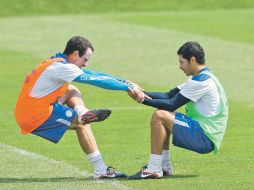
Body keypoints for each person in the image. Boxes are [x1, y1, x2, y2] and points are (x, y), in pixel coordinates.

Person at [15, 36, 147, 179]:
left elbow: (95, 74)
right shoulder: (62, 68)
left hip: (29, 109)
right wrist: (126, 87)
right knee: (82, 124)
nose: (86, 64)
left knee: (70, 88)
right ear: (75, 54)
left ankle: (83, 112)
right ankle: (100, 170)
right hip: (34, 114)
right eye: (85, 59)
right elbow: (96, 80)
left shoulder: (57, 61)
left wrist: (125, 82)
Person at [128, 41, 229, 179]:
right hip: (203, 132)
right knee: (163, 114)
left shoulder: (202, 81)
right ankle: (164, 167)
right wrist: (140, 91)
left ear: (192, 60)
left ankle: (153, 168)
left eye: (182, 62)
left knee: (160, 115)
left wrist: (141, 99)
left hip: (205, 137)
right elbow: (169, 95)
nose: (180, 66)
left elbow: (172, 104)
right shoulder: (200, 77)